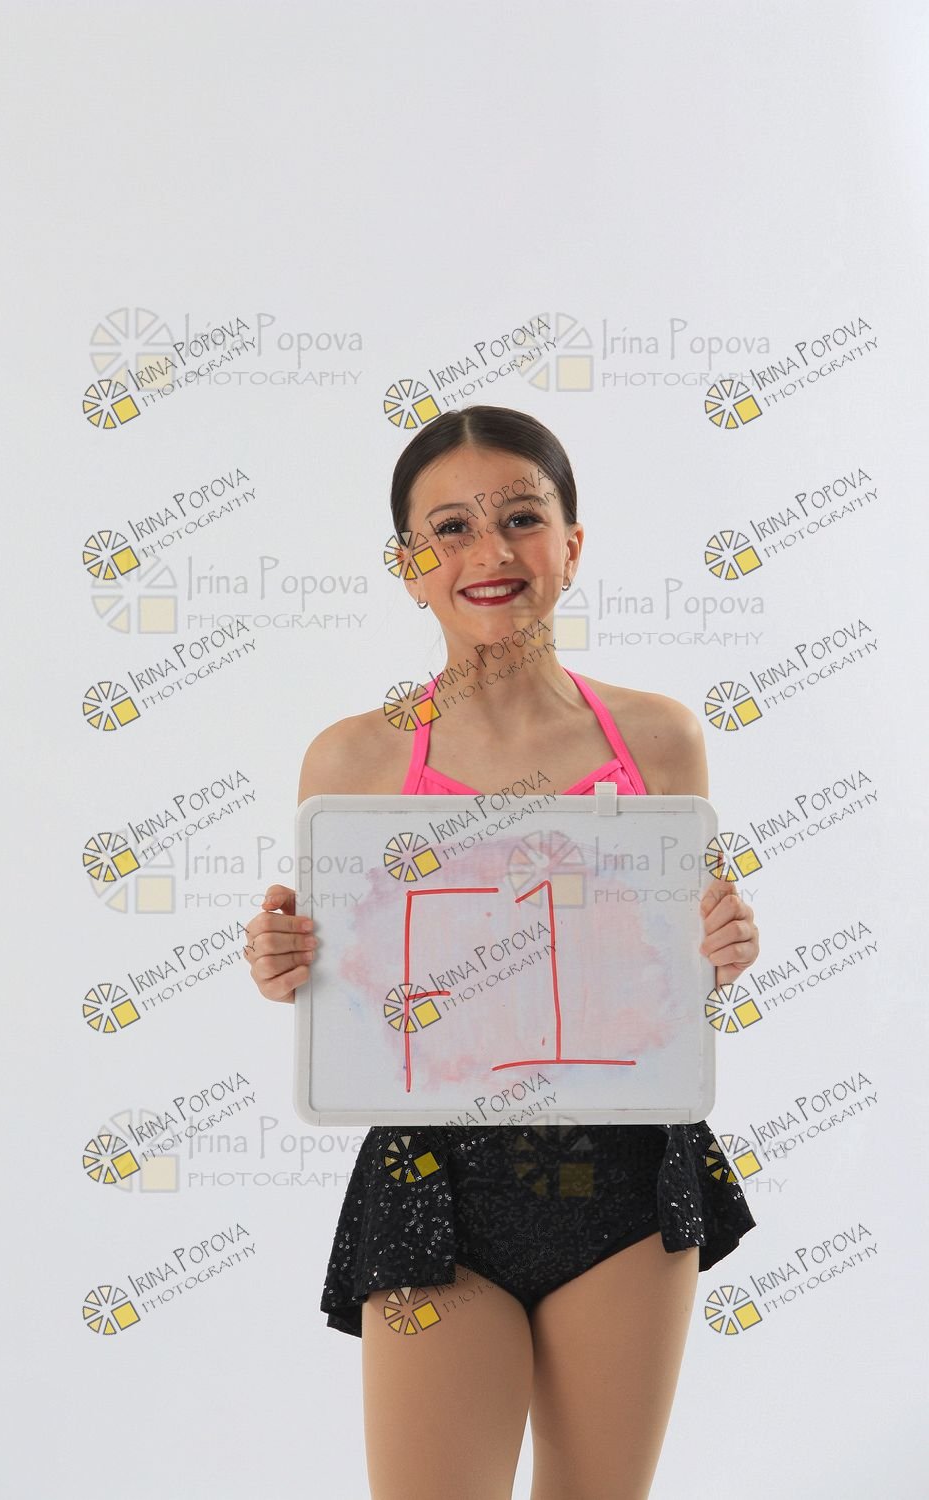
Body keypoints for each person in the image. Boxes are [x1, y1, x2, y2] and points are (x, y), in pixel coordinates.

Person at [243, 405, 759, 1500]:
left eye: (521, 517)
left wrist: (721, 945)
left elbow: (671, 975)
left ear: (571, 544)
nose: (490, 551)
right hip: (435, 1181)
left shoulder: (660, 739)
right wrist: (290, 962)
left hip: (627, 1179)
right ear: (409, 565)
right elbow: (351, 990)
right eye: (451, 528)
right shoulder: (352, 759)